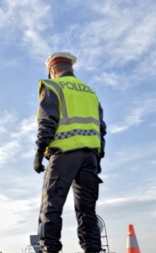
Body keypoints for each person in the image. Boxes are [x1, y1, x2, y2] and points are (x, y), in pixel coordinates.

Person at [33, 52, 107, 253]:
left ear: (52, 70)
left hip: (63, 154)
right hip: (90, 156)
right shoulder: (90, 92)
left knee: (51, 207)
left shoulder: (52, 86)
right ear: (71, 68)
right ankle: (92, 249)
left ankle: (50, 249)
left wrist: (39, 152)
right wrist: (98, 157)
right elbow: (101, 128)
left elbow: (47, 122)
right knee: (87, 211)